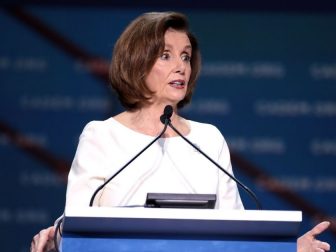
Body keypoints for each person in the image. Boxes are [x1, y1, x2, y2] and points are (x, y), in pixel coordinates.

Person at [30, 12, 331, 252]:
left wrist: (287, 248)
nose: (181, 67)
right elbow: (78, 224)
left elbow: (239, 235)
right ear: (137, 62)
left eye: (185, 56)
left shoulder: (208, 139)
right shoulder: (101, 135)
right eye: (166, 55)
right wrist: (57, 236)